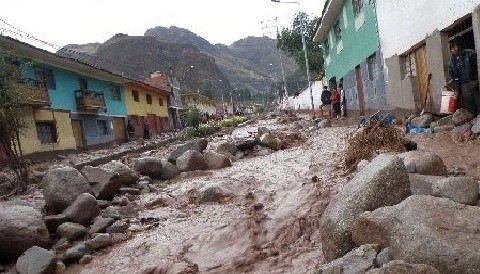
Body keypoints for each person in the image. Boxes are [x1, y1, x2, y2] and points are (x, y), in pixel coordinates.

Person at [448, 41, 480, 115]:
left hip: (473, 79)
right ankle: (473, 115)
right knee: (467, 98)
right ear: (450, 50)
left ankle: (479, 113)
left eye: (456, 46)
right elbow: (451, 72)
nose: (455, 49)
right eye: (452, 48)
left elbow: (477, 64)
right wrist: (453, 79)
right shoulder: (451, 61)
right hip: (463, 83)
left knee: (477, 96)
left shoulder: (470, 53)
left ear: (459, 46)